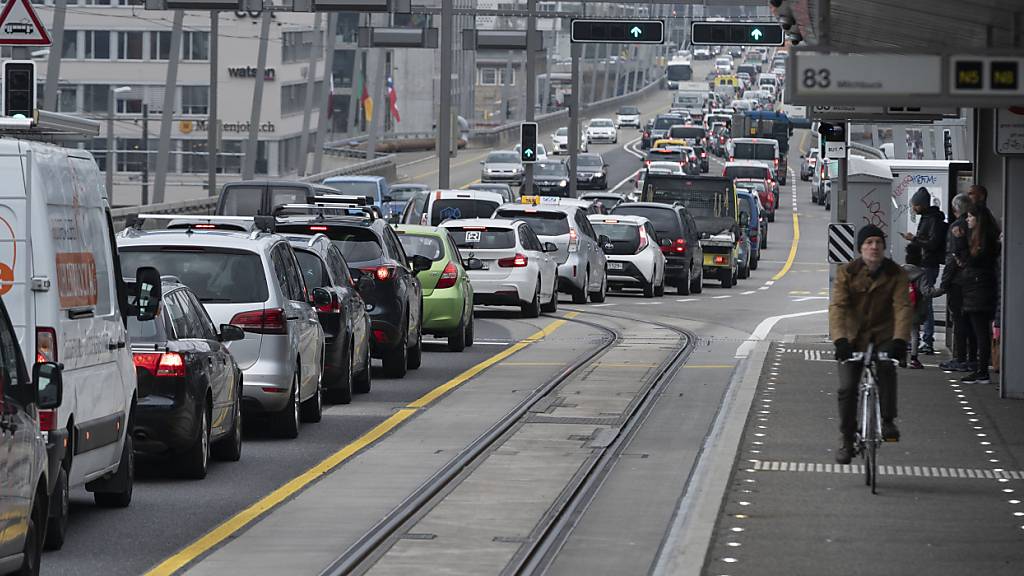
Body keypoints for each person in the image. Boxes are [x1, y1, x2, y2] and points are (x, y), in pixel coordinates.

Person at [830, 225, 912, 464]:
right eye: (869, 243)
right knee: (847, 388)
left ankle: (887, 420)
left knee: (887, 367)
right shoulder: (847, 272)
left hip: (884, 336)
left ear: (884, 247)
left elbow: (902, 307)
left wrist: (900, 340)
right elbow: (838, 307)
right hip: (852, 337)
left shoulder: (896, 274)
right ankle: (847, 439)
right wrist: (840, 340)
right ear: (860, 248)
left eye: (878, 242)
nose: (874, 247)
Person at [958, 205, 1001, 384]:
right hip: (979, 289)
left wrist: (960, 241)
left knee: (980, 332)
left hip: (979, 291)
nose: (968, 220)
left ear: (978, 219)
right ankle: (980, 368)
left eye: (970, 217)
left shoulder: (984, 241)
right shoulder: (987, 238)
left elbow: (972, 260)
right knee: (979, 332)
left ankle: (982, 370)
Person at [900, 188, 946, 355]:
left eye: (915, 205)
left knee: (925, 301)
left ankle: (927, 340)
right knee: (921, 301)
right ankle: (920, 339)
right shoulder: (930, 218)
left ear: (922, 205)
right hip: (925, 263)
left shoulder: (932, 220)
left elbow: (932, 243)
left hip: (928, 263)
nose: (913, 209)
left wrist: (914, 239)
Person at [902, 244, 934, 370]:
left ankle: (902, 358)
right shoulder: (921, 274)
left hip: (901, 306)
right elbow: (926, 292)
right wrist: (942, 290)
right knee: (914, 333)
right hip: (915, 306)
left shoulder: (899, 271)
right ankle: (914, 359)